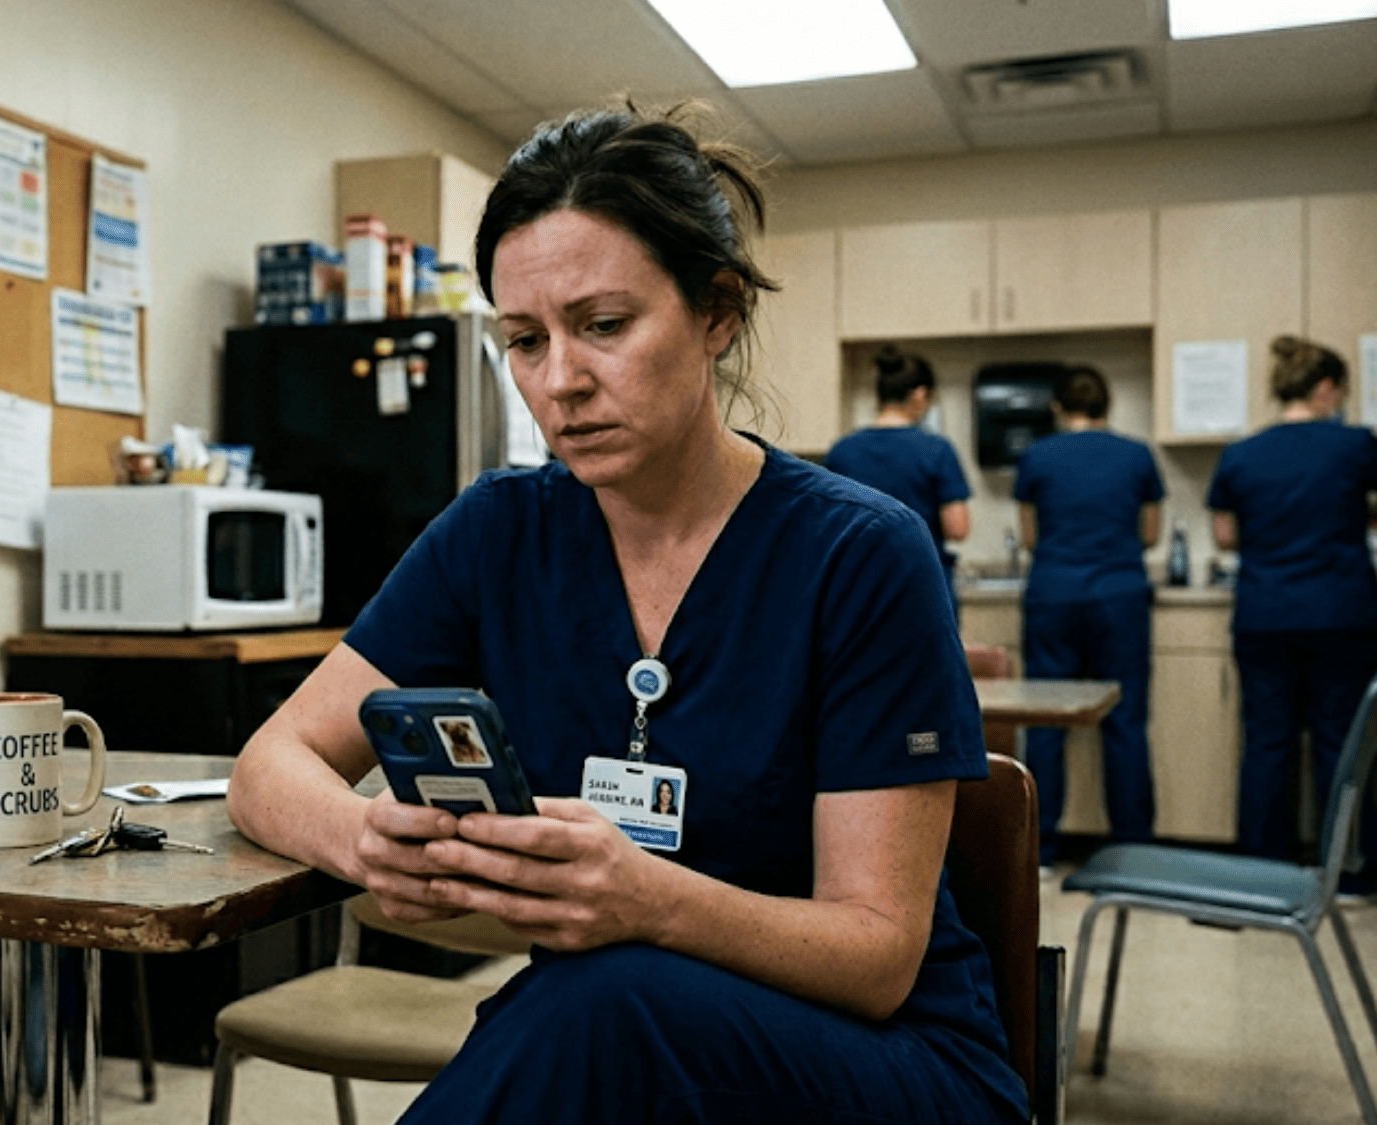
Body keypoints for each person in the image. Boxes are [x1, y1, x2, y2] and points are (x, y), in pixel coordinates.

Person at [227, 103, 1027, 1124]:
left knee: (597, 998)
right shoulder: (497, 534)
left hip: (882, 1062)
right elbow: (270, 763)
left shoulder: (858, 554)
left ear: (716, 312)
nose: (558, 380)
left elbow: (873, 957)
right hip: (622, 1041)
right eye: (523, 340)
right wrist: (364, 838)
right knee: (586, 1001)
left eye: (603, 325)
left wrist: (648, 899)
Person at [1207, 335, 1377, 868]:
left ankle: (1261, 867)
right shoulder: (1356, 446)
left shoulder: (1240, 454)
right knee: (1339, 745)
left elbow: (1225, 535)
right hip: (1339, 613)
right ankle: (1344, 870)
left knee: (1267, 745)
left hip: (1264, 614)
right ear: (1327, 389)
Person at [1013, 365, 1165, 867]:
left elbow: (1031, 537)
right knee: (1125, 719)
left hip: (1054, 595)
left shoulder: (1036, 456)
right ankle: (1133, 845)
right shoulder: (1138, 455)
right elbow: (1150, 535)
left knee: (1046, 723)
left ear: (1059, 408)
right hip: (1119, 595)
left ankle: (1042, 850)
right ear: (1107, 405)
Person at [825, 346, 972, 602]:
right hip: (921, 585)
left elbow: (829, 526)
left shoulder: (842, 451)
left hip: (859, 588)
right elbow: (957, 528)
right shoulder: (937, 449)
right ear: (920, 395)